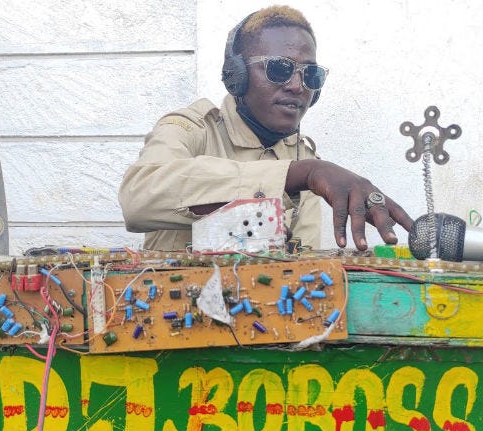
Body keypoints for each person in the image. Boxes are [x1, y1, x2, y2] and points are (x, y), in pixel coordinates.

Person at [119, 5, 412, 251]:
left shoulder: (304, 156)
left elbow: (301, 264)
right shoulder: (191, 129)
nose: (297, 86)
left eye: (309, 74)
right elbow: (138, 198)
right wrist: (296, 175)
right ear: (237, 75)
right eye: (279, 69)